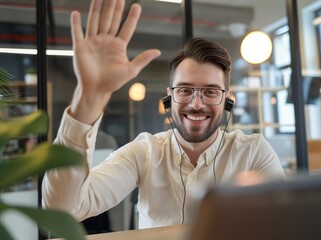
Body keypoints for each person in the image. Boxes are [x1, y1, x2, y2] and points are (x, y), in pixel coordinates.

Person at [42, 0, 285, 229]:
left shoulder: (253, 152)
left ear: (227, 98)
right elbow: (63, 209)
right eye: (185, 90)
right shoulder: (144, 152)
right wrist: (88, 97)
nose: (196, 104)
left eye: (210, 91)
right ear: (169, 97)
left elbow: (285, 224)